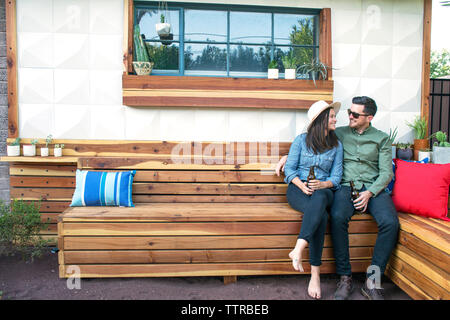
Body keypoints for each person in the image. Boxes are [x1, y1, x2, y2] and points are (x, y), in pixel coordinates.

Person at [276, 96, 399, 300]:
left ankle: (373, 281)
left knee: (390, 223)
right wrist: (287, 157)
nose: (348, 116)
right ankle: (345, 277)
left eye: (355, 114)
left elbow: (387, 173)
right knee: (338, 217)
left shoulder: (382, 138)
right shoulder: (340, 132)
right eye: (349, 112)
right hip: (345, 188)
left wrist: (369, 192)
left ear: (369, 117)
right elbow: (313, 139)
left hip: (373, 189)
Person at [283, 100, 343, 300]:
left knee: (320, 199)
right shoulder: (300, 141)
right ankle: (314, 275)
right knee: (321, 217)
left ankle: (298, 249)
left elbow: (336, 178)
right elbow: (290, 171)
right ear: (321, 120)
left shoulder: (336, 146)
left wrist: (322, 185)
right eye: (332, 116)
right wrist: (302, 186)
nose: (336, 119)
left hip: (324, 190)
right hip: (298, 189)